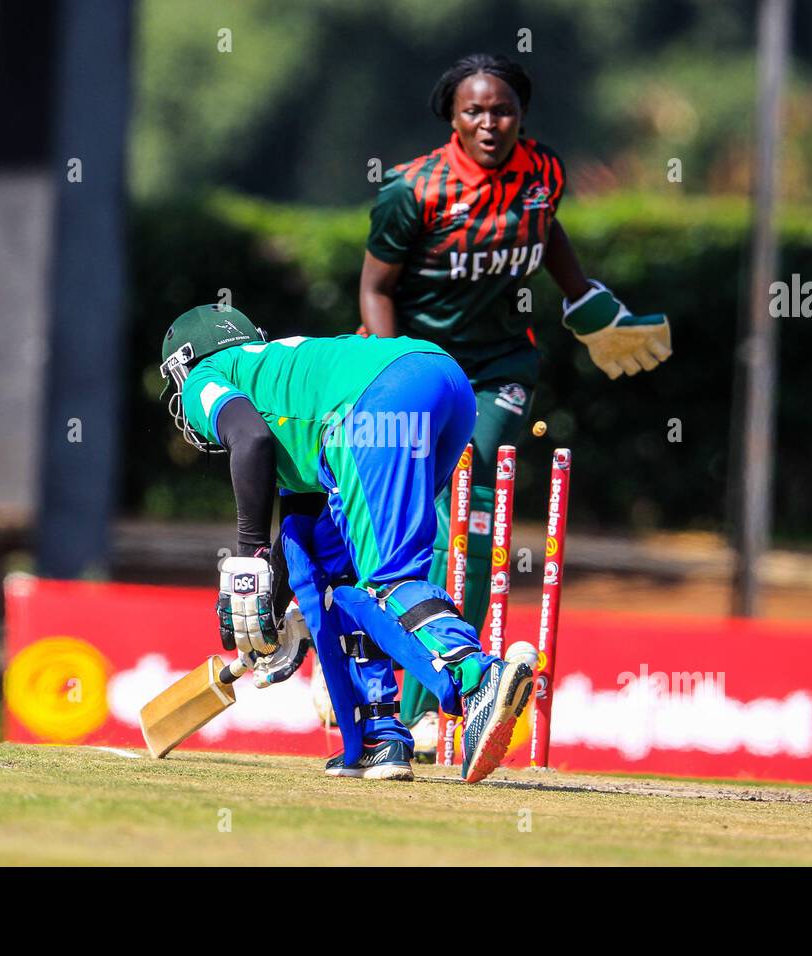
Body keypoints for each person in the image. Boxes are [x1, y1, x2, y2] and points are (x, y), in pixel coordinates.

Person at [358, 53, 671, 753]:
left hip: (500, 367)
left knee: (463, 519)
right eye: (474, 112)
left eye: (501, 110)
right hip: (417, 368)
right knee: (408, 528)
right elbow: (376, 289)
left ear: (521, 114)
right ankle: (390, 675)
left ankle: (427, 701)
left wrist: (582, 295)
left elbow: (547, 227)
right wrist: (388, 368)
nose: (490, 123)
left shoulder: (544, 173)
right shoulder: (413, 191)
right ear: (452, 118)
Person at [157, 302, 533, 784]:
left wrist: (247, 556)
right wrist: (275, 611)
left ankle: (476, 676)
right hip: (444, 384)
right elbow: (305, 544)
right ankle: (380, 737)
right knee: (345, 579)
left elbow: (250, 440)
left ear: (186, 362)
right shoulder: (286, 381)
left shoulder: (204, 376)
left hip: (377, 403)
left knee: (387, 578)